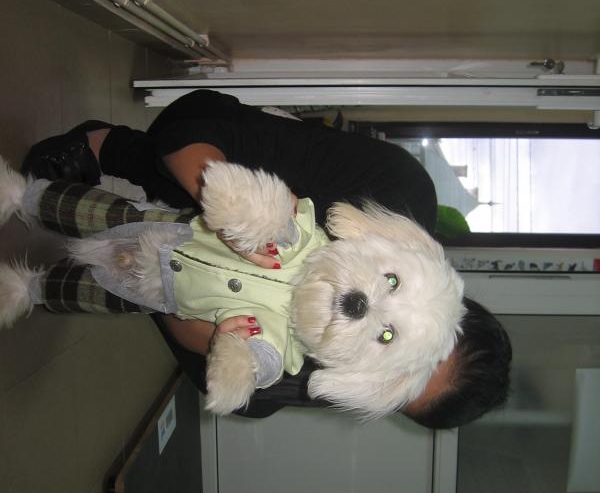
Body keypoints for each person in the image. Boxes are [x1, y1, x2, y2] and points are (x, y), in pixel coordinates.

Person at [21, 89, 512, 427]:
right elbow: (192, 131)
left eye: (395, 387)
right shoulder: (398, 194)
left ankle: (75, 276)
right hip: (228, 158)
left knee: (233, 375)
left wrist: (227, 334)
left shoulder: (339, 376)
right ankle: (109, 146)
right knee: (180, 176)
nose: (392, 373)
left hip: (190, 288)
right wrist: (235, 219)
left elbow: (218, 370)